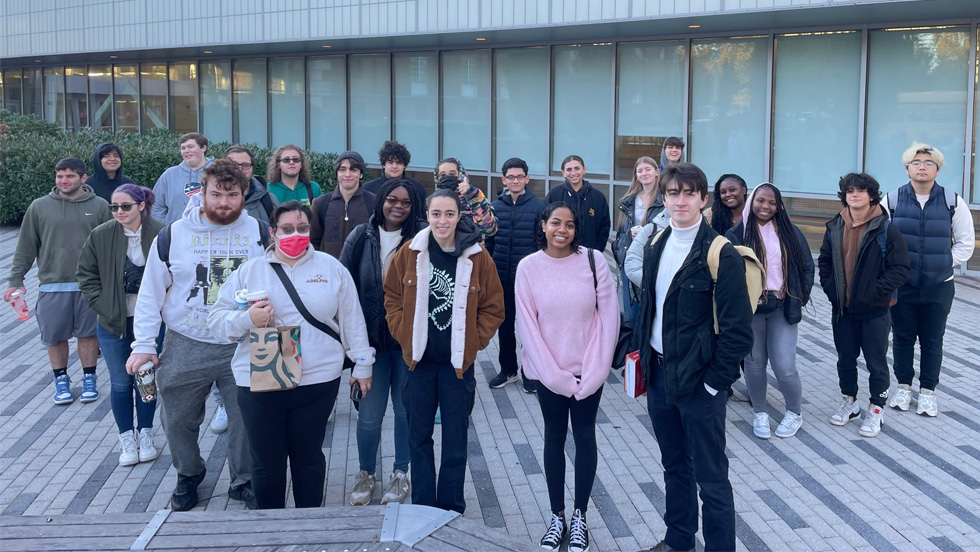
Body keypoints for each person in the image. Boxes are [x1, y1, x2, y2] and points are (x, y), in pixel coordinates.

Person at [209, 200, 375, 509]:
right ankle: (271, 531)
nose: (295, 234)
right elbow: (216, 323)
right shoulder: (248, 271)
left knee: (308, 458)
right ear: (272, 232)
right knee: (266, 462)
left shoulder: (331, 267)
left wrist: (363, 363)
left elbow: (352, 318)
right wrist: (247, 320)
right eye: (286, 229)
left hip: (317, 380)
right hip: (259, 380)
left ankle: (308, 528)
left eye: (302, 228)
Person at [125, 159, 266, 511]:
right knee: (177, 418)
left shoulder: (261, 233)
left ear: (243, 194)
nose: (223, 202)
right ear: (201, 193)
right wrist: (143, 345)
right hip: (186, 341)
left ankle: (244, 479)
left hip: (242, 341)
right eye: (215, 194)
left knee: (247, 419)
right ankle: (189, 474)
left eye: (231, 195)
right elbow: (151, 294)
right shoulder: (173, 235)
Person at [629, 163, 753, 552]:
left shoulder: (721, 253)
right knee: (674, 466)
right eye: (672, 193)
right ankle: (679, 540)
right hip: (661, 376)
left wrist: (715, 383)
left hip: (701, 382)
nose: (680, 200)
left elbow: (737, 333)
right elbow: (647, 309)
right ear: (663, 198)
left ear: (703, 198)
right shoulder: (655, 244)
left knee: (712, 478)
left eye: (688, 193)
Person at [383, 189, 504, 514]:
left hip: (456, 368)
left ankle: (450, 507)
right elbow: (392, 295)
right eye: (436, 214)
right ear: (427, 215)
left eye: (449, 214)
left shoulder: (477, 256)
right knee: (418, 439)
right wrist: (402, 333)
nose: (442, 220)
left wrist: (474, 341)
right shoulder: (410, 252)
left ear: (459, 216)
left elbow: (494, 307)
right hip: (418, 365)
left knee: (455, 442)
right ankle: (423, 506)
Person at [515, 202, 618, 552]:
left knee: (585, 438)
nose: (563, 230)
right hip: (549, 374)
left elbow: (608, 320)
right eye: (555, 222)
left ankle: (580, 517)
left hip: (589, 371)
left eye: (570, 224)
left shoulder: (594, 261)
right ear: (543, 225)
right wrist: (555, 377)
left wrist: (594, 373)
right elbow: (527, 327)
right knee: (554, 439)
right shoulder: (528, 268)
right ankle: (556, 515)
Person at [340, 178, 426, 506]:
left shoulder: (422, 236)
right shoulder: (361, 235)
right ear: (381, 201)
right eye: (392, 199)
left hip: (407, 344)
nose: (398, 206)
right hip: (370, 346)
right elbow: (344, 289)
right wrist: (350, 351)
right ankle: (365, 473)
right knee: (370, 415)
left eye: (405, 201)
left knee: (405, 413)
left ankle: (400, 474)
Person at [7, 158, 111, 406]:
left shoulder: (100, 206)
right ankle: (61, 380)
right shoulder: (39, 207)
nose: (64, 181)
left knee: (88, 336)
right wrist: (15, 279)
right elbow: (26, 246)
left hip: (89, 286)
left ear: (83, 179)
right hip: (52, 285)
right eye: (60, 176)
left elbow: (110, 246)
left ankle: (89, 379)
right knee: (54, 337)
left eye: (70, 176)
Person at [883, 143, 975, 416]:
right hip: (904, 285)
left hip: (939, 286)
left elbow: (966, 244)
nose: (922, 166)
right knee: (901, 338)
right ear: (907, 168)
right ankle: (903, 388)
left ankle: (927, 392)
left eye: (928, 162)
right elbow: (881, 240)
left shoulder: (952, 202)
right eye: (916, 162)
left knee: (933, 340)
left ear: (937, 168)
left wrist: (942, 263)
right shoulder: (892, 200)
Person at [77, 184, 166, 465]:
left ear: (141, 205)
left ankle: (146, 434)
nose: (118, 212)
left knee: (146, 381)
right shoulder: (101, 235)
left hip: (151, 322)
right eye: (114, 207)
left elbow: (177, 273)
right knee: (119, 383)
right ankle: (126, 438)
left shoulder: (162, 233)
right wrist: (104, 306)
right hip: (113, 322)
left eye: (125, 206)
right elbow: (86, 275)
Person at [818, 173, 909, 438]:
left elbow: (900, 269)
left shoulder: (887, 229)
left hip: (875, 311)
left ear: (871, 195)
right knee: (845, 360)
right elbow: (824, 261)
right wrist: (831, 290)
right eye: (849, 190)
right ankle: (850, 402)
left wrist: (874, 293)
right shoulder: (835, 225)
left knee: (876, 363)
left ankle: (876, 409)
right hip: (842, 310)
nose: (854, 194)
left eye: (860, 190)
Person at [726, 183, 814, 439]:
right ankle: (760, 413)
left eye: (772, 202)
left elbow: (808, 267)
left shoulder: (790, 232)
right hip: (751, 309)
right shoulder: (737, 234)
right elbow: (727, 273)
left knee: (785, 367)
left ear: (779, 206)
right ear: (751, 201)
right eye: (760, 201)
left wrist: (800, 296)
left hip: (782, 307)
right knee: (754, 365)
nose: (766, 207)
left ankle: (794, 413)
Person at [486, 157, 546, 393]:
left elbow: (543, 245)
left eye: (520, 177)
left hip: (529, 281)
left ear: (527, 179)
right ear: (504, 180)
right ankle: (508, 370)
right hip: (501, 278)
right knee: (505, 326)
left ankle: (531, 374)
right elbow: (489, 242)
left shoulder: (538, 207)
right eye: (511, 177)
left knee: (530, 328)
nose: (515, 181)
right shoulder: (495, 207)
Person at [613, 156, 666, 328]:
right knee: (632, 313)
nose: (644, 173)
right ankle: (634, 351)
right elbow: (621, 231)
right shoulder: (628, 200)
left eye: (648, 169)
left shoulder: (664, 200)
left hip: (653, 260)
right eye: (640, 170)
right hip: (630, 261)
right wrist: (620, 252)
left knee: (652, 312)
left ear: (657, 172)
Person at [310, 151, 376, 258]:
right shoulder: (321, 203)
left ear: (361, 174)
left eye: (353, 169)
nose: (347, 174)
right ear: (336, 173)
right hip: (329, 271)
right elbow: (312, 241)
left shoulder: (374, 203)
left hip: (360, 272)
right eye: (342, 169)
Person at [545, 155, 610, 252]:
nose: (573, 173)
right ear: (563, 172)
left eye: (577, 168)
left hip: (588, 254)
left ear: (584, 169)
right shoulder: (554, 194)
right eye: (569, 170)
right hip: (560, 253)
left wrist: (597, 250)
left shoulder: (597, 197)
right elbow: (545, 223)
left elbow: (604, 226)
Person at [151, 132, 215, 225]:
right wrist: (166, 228)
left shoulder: (218, 172)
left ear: (203, 148)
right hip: (176, 235)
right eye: (183, 148)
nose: (186, 151)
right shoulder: (169, 174)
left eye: (190, 147)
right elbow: (156, 205)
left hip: (210, 233)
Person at [434, 158, 497, 239]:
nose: (447, 178)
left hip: (470, 249)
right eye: (443, 175)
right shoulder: (434, 201)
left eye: (452, 174)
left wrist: (472, 194)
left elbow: (489, 229)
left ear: (461, 175)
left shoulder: (474, 197)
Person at [225, 145, 279, 232]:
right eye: (233, 165)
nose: (239, 169)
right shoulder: (210, 200)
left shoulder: (268, 200)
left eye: (245, 165)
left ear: (252, 168)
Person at [362, 140, 428, 200]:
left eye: (399, 162)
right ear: (383, 164)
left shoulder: (417, 187)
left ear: (404, 165)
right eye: (390, 162)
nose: (394, 166)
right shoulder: (367, 189)